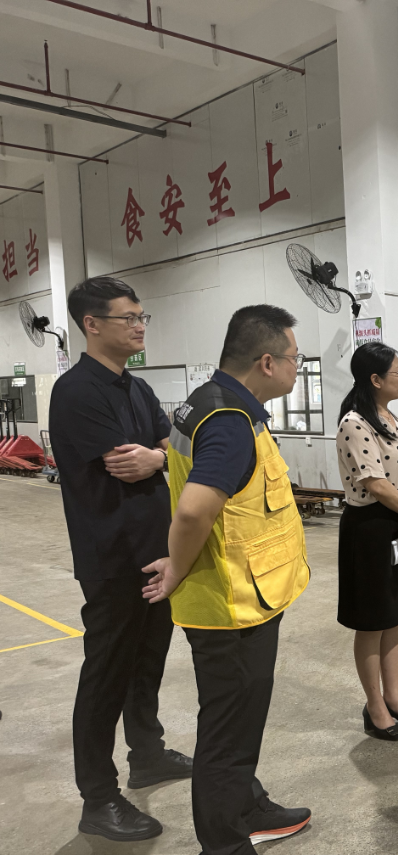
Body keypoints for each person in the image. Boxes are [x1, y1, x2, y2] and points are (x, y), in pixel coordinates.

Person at [142, 305, 313, 854]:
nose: (297, 366)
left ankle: (246, 805)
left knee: (241, 722)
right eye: (294, 357)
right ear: (267, 362)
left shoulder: (215, 401)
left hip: (243, 596)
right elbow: (194, 510)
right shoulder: (229, 421)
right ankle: (224, 844)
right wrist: (177, 566)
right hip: (229, 605)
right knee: (228, 730)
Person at [49, 277, 192, 842]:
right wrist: (160, 457)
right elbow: (124, 465)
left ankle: (147, 754)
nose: (139, 326)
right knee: (106, 673)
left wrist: (158, 457)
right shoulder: (76, 391)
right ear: (92, 324)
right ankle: (97, 797)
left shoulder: (136, 387)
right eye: (127, 317)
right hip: (112, 558)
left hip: (156, 552)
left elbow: (169, 447)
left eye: (141, 316)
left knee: (147, 661)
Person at [336, 343, 398, 740]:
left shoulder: (393, 419)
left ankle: (394, 697)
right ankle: (374, 705)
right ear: (375, 379)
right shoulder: (354, 423)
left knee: (395, 614)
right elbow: (374, 482)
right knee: (372, 620)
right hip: (371, 528)